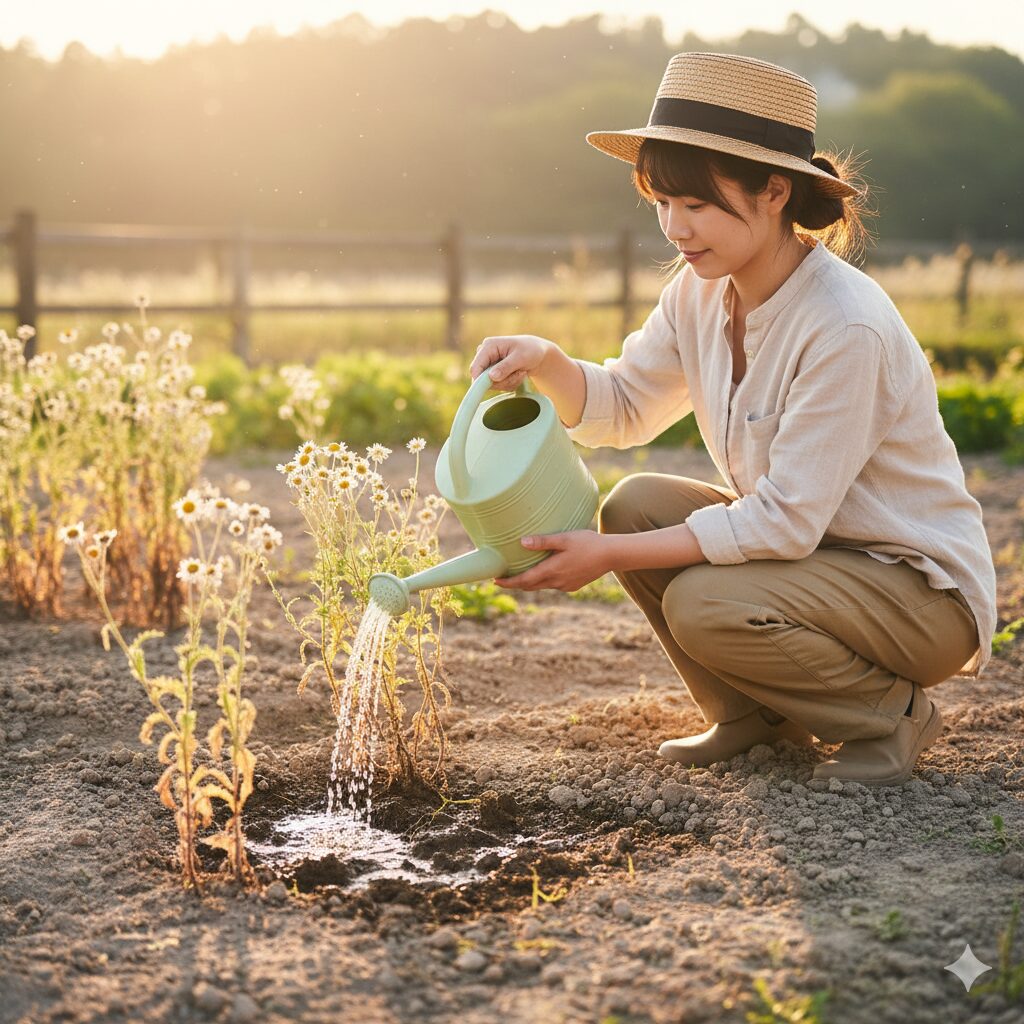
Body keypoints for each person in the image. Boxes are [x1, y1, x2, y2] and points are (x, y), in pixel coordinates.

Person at [467, 52, 997, 788]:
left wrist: (605, 557)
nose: (675, 228)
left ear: (775, 190)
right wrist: (549, 362)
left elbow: (783, 523)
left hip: (912, 591)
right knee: (633, 508)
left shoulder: (844, 325)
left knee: (702, 601)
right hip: (816, 565)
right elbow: (624, 405)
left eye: (697, 204)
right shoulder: (698, 292)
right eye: (661, 202)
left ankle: (891, 714)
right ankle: (753, 719)